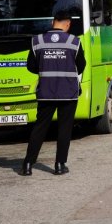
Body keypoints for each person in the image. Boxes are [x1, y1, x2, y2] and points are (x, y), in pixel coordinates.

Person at [20, 10, 86, 176]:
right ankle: (59, 165)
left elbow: (30, 66)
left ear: (53, 22)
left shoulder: (37, 41)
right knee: (64, 128)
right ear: (68, 24)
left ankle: (28, 164)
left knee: (40, 128)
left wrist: (45, 67)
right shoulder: (74, 41)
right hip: (68, 93)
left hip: (46, 92)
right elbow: (82, 65)